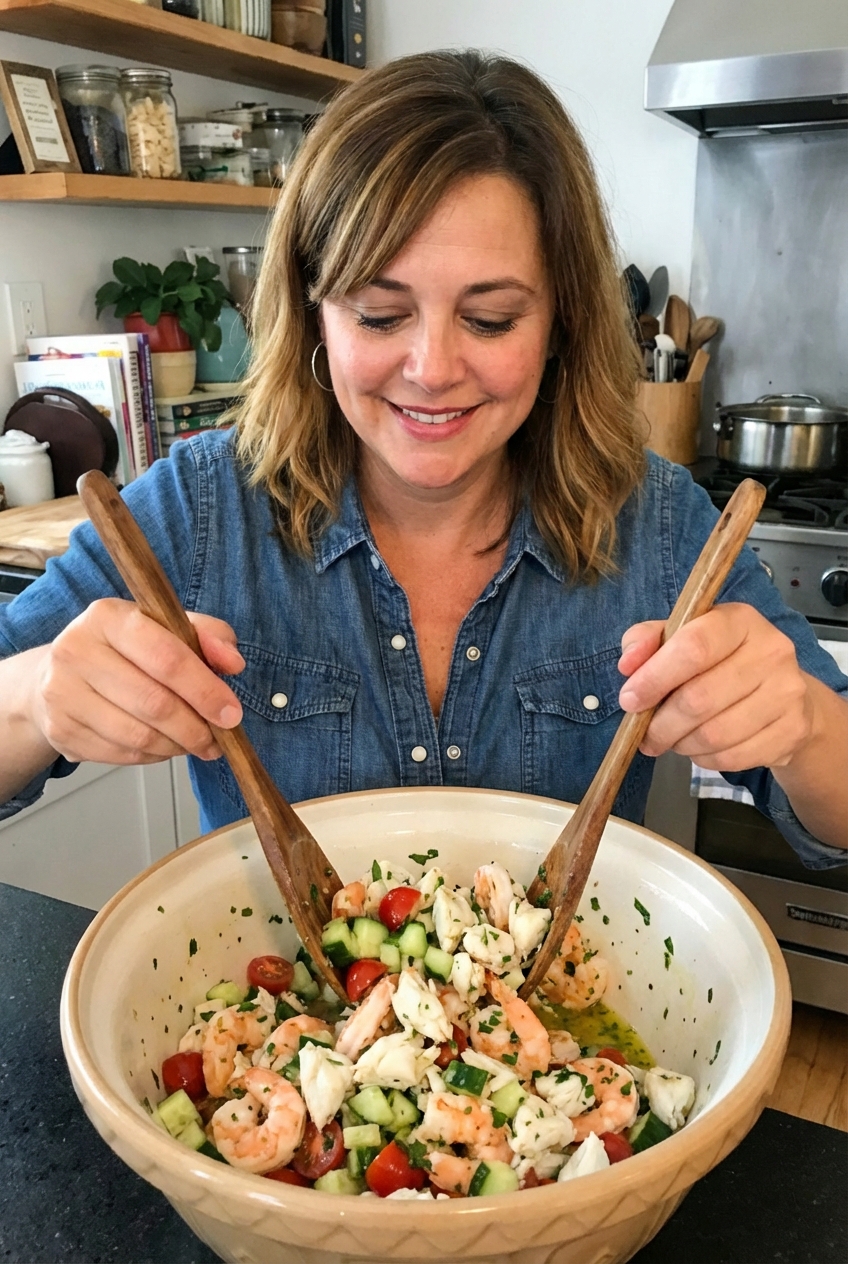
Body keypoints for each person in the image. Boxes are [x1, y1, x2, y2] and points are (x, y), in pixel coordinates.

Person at [1, 50, 845, 865]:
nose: (434, 370)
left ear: (560, 326)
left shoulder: (657, 521)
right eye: (378, 314)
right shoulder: (201, 505)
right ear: (313, 314)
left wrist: (803, 723)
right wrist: (39, 696)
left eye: (491, 319)